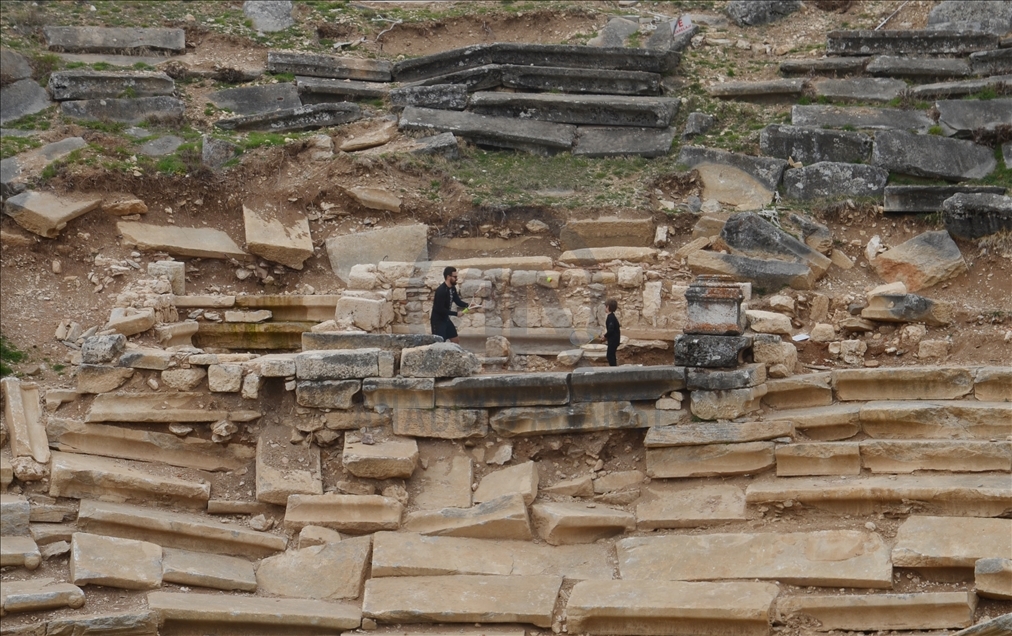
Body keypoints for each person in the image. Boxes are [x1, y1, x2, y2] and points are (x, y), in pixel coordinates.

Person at [430, 266, 473, 344]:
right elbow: (440, 309)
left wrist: (468, 305)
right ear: (448, 277)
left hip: (446, 319)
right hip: (438, 322)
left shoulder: (453, 288)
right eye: (455, 277)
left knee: (455, 340)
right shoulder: (441, 291)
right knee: (440, 344)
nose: (456, 279)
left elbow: (457, 301)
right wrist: (456, 314)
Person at [602, 298, 621, 367]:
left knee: (609, 355)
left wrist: (605, 336)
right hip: (614, 340)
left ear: (608, 307)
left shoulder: (611, 317)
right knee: (611, 355)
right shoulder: (612, 317)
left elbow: (611, 329)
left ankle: (614, 369)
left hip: (613, 340)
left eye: (605, 306)